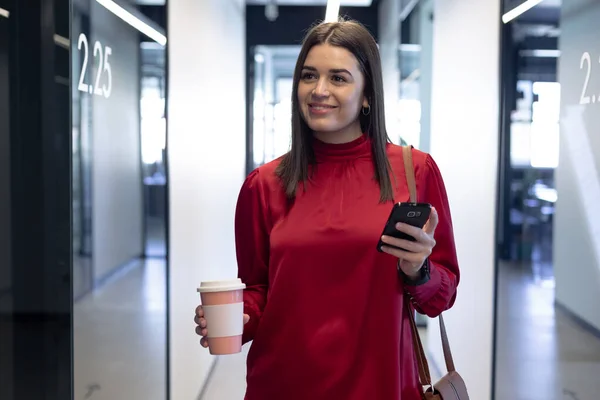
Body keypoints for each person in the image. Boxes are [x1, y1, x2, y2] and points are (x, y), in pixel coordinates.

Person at [194, 19, 460, 400]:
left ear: (367, 94)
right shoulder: (264, 184)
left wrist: (418, 270)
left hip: (380, 385)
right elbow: (258, 290)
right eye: (308, 76)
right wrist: (235, 318)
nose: (318, 91)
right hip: (283, 385)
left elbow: (442, 295)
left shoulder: (413, 172)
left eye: (338, 78)